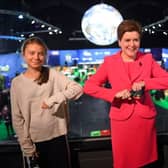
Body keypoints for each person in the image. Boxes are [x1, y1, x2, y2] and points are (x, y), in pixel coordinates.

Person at [83, 19, 168, 168]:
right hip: (122, 122)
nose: (132, 44)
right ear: (119, 42)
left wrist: (146, 84)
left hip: (144, 122)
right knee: (124, 163)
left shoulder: (147, 59)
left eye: (136, 40)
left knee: (147, 163)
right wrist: (113, 94)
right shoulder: (110, 62)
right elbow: (89, 86)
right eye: (127, 40)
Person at [10, 36, 83, 168]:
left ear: (45, 55)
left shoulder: (53, 74)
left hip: (58, 138)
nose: (36, 57)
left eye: (40, 53)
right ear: (24, 55)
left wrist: (53, 100)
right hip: (34, 142)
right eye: (32, 53)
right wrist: (27, 146)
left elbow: (77, 89)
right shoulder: (17, 83)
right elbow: (17, 117)